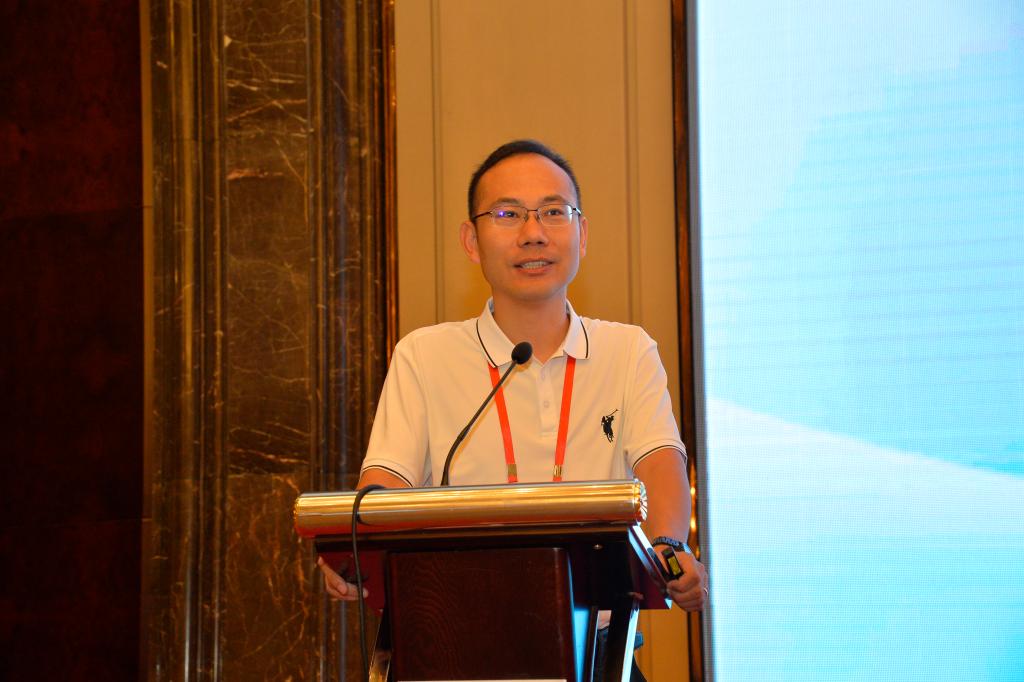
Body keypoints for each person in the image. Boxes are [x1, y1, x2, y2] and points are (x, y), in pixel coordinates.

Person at [318, 139, 708, 674]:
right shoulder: (425, 356)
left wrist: (666, 545)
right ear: (471, 241)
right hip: (460, 651)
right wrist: (357, 547)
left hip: (600, 654)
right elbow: (386, 483)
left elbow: (660, 462)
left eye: (553, 212)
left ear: (582, 233)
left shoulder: (627, 350)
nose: (533, 233)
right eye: (507, 214)